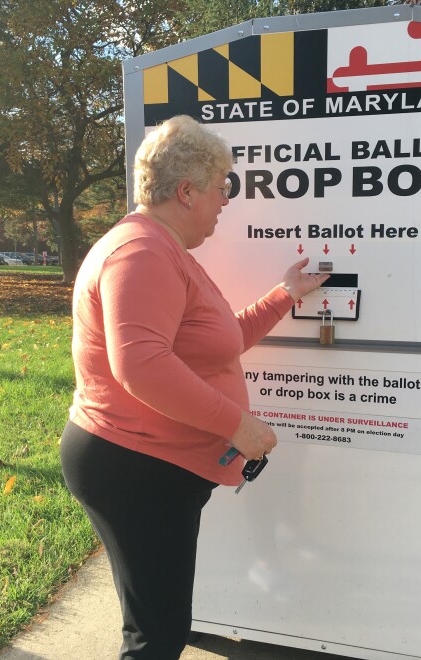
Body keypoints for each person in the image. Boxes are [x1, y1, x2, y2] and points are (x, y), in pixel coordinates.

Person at [60, 115, 329, 659]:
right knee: (155, 635)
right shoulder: (140, 253)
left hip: (149, 467)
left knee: (156, 621)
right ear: (186, 191)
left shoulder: (164, 249)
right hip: (137, 467)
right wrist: (239, 425)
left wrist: (284, 295)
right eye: (221, 186)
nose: (226, 199)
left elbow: (217, 341)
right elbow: (142, 365)